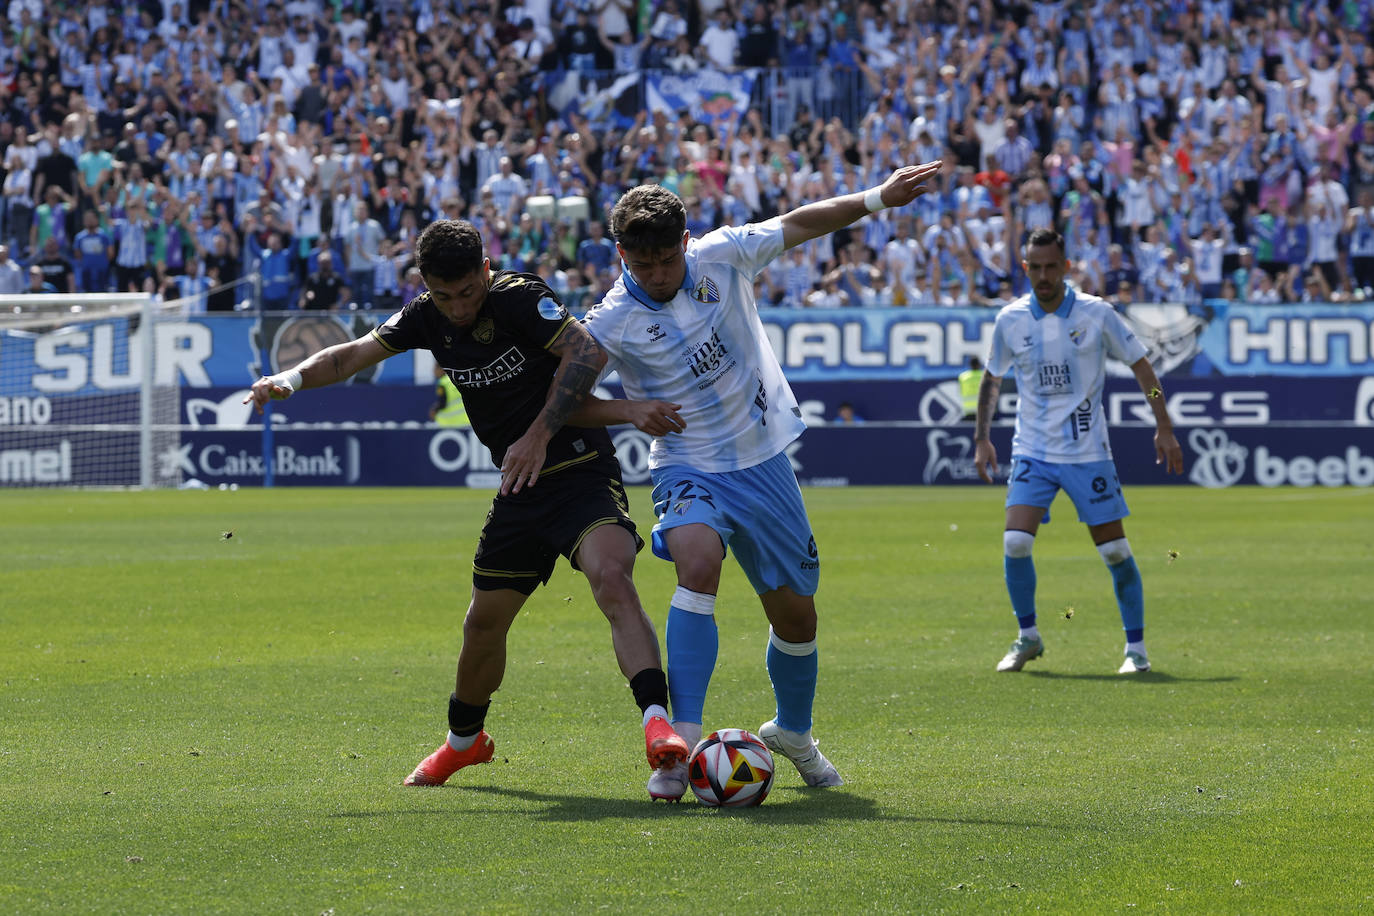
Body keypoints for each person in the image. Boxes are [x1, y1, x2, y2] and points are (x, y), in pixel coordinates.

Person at [243, 219, 689, 798]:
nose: (457, 308)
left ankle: (658, 724)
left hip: (579, 468)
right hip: (519, 486)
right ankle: (464, 744)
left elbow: (585, 352)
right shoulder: (425, 315)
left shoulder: (521, 299)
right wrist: (290, 378)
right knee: (482, 624)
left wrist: (539, 432)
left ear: (485, 271)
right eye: (443, 295)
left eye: (468, 293)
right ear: (425, 283)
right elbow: (351, 355)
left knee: (612, 578)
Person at [573, 162, 943, 799]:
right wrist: (628, 410)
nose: (657, 275)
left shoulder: (723, 257)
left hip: (764, 461)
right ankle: (678, 743)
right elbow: (567, 401)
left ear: (686, 244)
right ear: (621, 254)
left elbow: (800, 223)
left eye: (666, 260)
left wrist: (879, 197)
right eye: (643, 264)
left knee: (798, 619)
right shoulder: (608, 322)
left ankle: (794, 732)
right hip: (686, 465)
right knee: (696, 560)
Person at [973, 228, 1184, 675]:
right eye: (1035, 267)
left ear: (1065, 267)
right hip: (1033, 451)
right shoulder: (1010, 319)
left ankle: (1136, 650)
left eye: (1052, 267)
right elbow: (992, 379)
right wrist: (982, 436)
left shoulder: (1096, 314)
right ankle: (1028, 637)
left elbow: (1141, 367)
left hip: (1088, 453)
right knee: (1014, 542)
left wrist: (1163, 424)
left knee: (1115, 553)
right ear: (1024, 266)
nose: (1043, 275)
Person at [428, 362, 471, 427]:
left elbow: (442, 403)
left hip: (448, 422)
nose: (434, 372)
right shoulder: (457, 379)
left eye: (435, 369)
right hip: (466, 420)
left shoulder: (443, 382)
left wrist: (434, 410)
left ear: (441, 369)